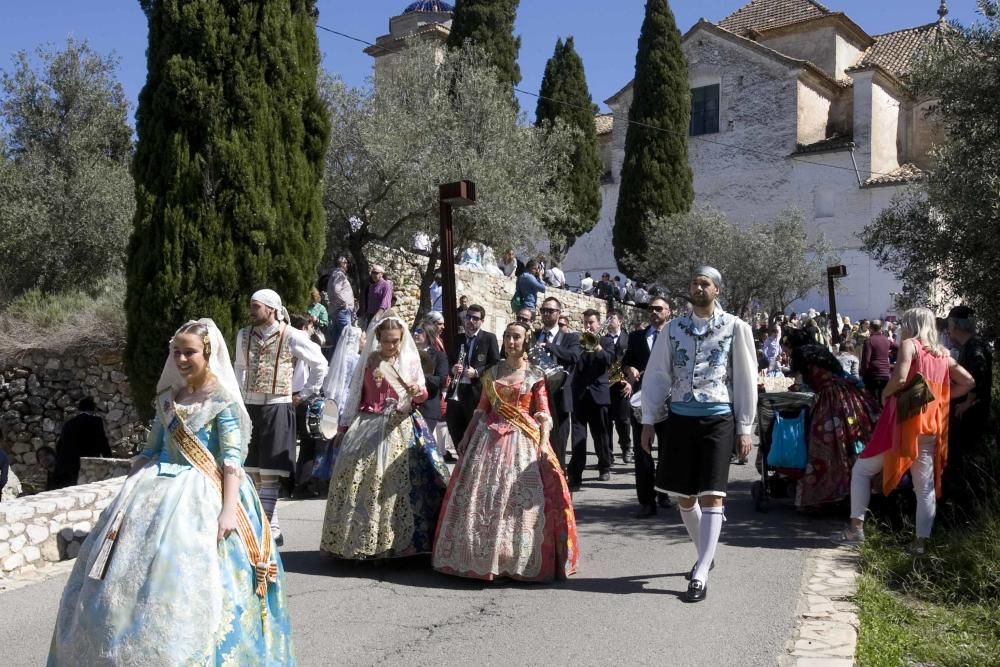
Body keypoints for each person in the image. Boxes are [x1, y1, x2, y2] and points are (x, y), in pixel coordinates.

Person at [48, 319, 294, 664]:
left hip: (200, 493)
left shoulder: (220, 401)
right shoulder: (168, 399)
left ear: (207, 353)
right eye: (176, 352)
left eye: (188, 352)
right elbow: (151, 448)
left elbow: (231, 461)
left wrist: (227, 510)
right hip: (151, 491)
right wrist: (129, 485)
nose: (180, 359)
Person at [641, 268, 757, 602]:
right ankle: (705, 552)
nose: (698, 286)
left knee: (712, 496)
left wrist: (745, 427)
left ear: (717, 290)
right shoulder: (673, 328)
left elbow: (746, 379)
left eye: (704, 283)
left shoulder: (736, 327)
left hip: (718, 418)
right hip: (680, 417)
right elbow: (658, 374)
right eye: (694, 282)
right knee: (684, 498)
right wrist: (649, 419)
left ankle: (701, 571)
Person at [433, 321, 579, 581]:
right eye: (507, 337)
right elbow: (482, 409)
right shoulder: (492, 373)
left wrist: (544, 443)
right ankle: (480, 555)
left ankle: (514, 557)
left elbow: (543, 413)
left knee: (516, 500)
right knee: (485, 497)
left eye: (516, 337)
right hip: (488, 438)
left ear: (526, 341)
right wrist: (467, 436)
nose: (511, 342)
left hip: (522, 439)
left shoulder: (534, 374)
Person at [837, 308, 975, 555]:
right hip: (929, 426)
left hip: (899, 425)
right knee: (924, 488)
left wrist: (885, 393)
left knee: (862, 470)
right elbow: (968, 382)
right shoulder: (943, 354)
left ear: (911, 324)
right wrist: (940, 397)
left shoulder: (911, 345)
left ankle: (855, 529)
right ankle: (920, 543)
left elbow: (900, 379)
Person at [319, 312, 449, 560]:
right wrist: (344, 428)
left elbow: (421, 395)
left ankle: (397, 543)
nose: (391, 346)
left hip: (400, 425)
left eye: (396, 340)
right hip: (367, 424)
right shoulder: (369, 361)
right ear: (378, 338)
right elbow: (356, 394)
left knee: (394, 485)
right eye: (387, 341)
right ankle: (357, 541)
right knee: (359, 482)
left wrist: (417, 391)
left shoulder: (410, 360)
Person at [234, 289, 327, 546]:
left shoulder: (291, 335)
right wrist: (238, 397)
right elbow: (239, 367)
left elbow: (320, 363)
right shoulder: (243, 335)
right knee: (253, 471)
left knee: (270, 471)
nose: (252, 311)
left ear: (272, 309)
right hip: (251, 405)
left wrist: (306, 392)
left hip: (277, 405)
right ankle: (272, 527)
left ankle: (263, 528)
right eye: (251, 306)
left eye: (256, 307)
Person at [781, 329, 876, 508]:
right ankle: (856, 489)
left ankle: (829, 492)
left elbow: (800, 384)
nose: (786, 352)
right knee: (851, 439)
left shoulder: (800, 354)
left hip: (830, 399)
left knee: (825, 442)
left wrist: (795, 389)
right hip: (847, 394)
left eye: (786, 348)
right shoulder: (820, 349)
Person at [622, 296, 673, 517]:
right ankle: (646, 501)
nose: (654, 312)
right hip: (642, 401)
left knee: (666, 451)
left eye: (659, 309)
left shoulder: (675, 336)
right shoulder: (636, 337)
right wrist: (629, 369)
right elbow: (626, 361)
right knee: (642, 451)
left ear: (668, 311)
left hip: (669, 402)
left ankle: (663, 492)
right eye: (651, 309)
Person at [944, 305, 993, 513]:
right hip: (968, 411)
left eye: (949, 325)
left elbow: (978, 374)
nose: (948, 330)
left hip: (971, 413)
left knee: (967, 457)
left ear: (955, 325)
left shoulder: (974, 345)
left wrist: (967, 401)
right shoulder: (971, 344)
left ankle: (968, 506)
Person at [446, 305, 501, 459]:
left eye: (475, 318)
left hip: (476, 393)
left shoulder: (488, 338)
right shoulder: (458, 339)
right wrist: (453, 369)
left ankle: (472, 463)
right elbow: (450, 361)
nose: (470, 321)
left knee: (475, 431)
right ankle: (462, 462)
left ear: (481, 321)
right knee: (454, 427)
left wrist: (476, 372)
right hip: (456, 391)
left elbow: (495, 363)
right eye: (468, 317)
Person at [568, 310, 614, 489]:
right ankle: (576, 475)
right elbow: (573, 360)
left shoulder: (607, 341)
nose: (588, 325)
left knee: (600, 434)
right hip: (579, 394)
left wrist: (597, 347)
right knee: (578, 436)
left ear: (599, 323)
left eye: (592, 322)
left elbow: (609, 360)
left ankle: (604, 466)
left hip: (598, 395)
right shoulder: (578, 341)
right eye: (586, 322)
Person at [534, 297, 581, 469]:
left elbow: (574, 356)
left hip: (559, 396)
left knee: (558, 444)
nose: (546, 314)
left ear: (559, 313)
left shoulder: (570, 338)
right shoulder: (533, 335)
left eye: (550, 310)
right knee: (535, 443)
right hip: (536, 396)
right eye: (544, 310)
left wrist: (549, 346)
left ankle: (560, 483)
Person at [289, 314, 326, 498]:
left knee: (289, 442)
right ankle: (301, 485)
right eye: (310, 326)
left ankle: (287, 484)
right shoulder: (303, 344)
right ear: (304, 327)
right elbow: (320, 367)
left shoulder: (286, 342)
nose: (312, 330)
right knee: (307, 443)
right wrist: (305, 394)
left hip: (289, 395)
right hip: (300, 397)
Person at [52, 397, 112, 488]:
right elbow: (102, 441)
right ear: (93, 410)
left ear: (79, 409)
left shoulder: (69, 423)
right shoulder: (96, 421)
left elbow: (60, 445)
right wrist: (109, 459)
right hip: (86, 463)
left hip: (67, 463)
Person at [602, 310, 632, 464]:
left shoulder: (629, 339)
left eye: (612, 318)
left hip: (622, 384)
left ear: (620, 321)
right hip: (605, 385)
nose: (609, 320)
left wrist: (630, 382)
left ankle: (626, 448)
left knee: (623, 420)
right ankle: (609, 453)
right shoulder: (601, 339)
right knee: (606, 421)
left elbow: (633, 362)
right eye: (607, 318)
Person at [414, 323, 449, 435]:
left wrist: (420, 378)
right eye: (415, 331)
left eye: (419, 331)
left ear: (428, 335)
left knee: (424, 447)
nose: (415, 333)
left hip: (427, 409)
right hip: (407, 408)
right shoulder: (407, 354)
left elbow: (441, 380)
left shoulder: (439, 356)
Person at [326, 256, 356, 353]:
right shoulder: (339, 275)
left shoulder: (334, 274)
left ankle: (334, 364)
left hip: (337, 310)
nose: (347, 265)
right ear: (342, 264)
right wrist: (344, 303)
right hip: (342, 311)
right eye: (346, 263)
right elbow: (336, 290)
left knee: (338, 339)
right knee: (347, 338)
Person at [861, 319, 896, 400]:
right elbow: (898, 348)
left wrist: (863, 374)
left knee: (872, 400)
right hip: (885, 374)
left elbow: (866, 360)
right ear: (881, 328)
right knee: (883, 400)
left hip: (872, 375)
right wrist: (890, 356)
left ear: (870, 329)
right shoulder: (886, 340)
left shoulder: (869, 341)